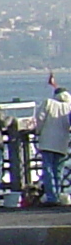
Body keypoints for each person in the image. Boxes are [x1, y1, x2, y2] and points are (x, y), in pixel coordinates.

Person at [36, 79, 71, 207]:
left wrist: (38, 131)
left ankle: (51, 196)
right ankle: (58, 193)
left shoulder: (48, 103)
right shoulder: (69, 107)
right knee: (58, 171)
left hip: (47, 141)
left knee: (48, 170)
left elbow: (40, 119)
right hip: (62, 142)